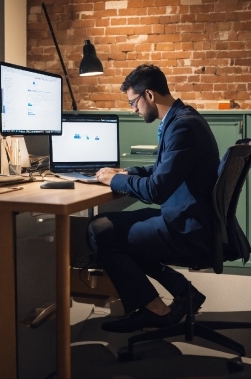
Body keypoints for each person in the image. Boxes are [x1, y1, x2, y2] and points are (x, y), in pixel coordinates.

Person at [88, 64, 220, 333]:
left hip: (187, 226)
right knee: (112, 227)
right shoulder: (183, 118)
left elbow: (156, 190)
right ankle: (183, 291)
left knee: (100, 231)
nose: (133, 110)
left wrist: (113, 180)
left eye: (133, 102)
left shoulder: (182, 126)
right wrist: (127, 172)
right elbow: (165, 170)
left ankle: (156, 311)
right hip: (189, 215)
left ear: (149, 95)